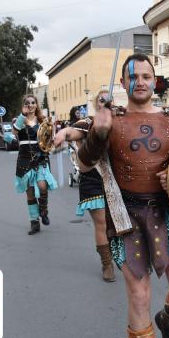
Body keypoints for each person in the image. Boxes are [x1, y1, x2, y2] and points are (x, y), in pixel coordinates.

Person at [76, 53, 169, 338]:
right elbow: (84, 164)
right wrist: (99, 131)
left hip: (168, 214)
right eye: (134, 77)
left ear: (154, 81)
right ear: (123, 83)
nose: (140, 82)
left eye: (146, 76)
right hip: (127, 216)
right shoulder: (110, 120)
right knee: (139, 295)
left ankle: (168, 323)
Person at [53, 90, 117, 282]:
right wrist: (62, 133)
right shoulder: (88, 123)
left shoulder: (120, 121)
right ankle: (107, 264)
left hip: (115, 179)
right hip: (92, 177)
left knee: (113, 223)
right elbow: (72, 132)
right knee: (101, 223)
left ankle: (113, 252)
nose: (105, 102)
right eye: (101, 99)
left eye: (108, 100)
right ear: (96, 103)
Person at [7, 94, 58, 235]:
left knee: (42, 185)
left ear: (36, 104)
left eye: (33, 102)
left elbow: (49, 140)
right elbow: (14, 132)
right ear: (24, 105)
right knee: (30, 193)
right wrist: (22, 115)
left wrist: (52, 141)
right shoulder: (19, 121)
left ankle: (44, 210)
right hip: (24, 159)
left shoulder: (42, 121)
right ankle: (34, 223)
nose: (30, 105)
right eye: (27, 103)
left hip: (40, 158)